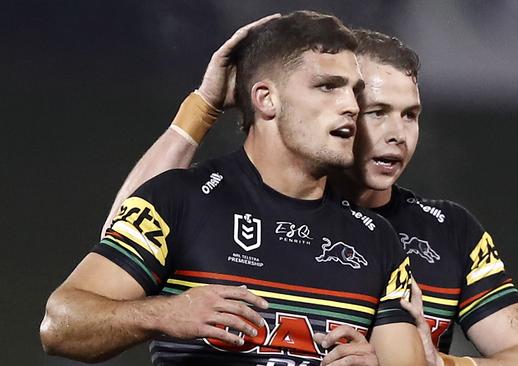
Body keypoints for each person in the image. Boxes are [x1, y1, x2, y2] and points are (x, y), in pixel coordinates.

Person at [39, 12, 425, 366]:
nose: (351, 107)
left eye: (353, 92)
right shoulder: (182, 201)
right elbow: (60, 324)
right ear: (266, 99)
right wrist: (165, 313)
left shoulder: (375, 239)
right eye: (327, 87)